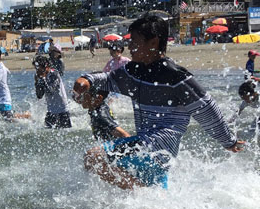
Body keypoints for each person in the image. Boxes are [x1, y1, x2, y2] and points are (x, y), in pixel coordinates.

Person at [74, 14, 242, 190]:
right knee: (155, 200)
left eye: (134, 41)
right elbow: (108, 79)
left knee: (93, 158)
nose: (129, 47)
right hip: (149, 147)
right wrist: (87, 80)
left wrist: (228, 141)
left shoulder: (175, 76)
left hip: (158, 146)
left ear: (153, 43)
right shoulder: (133, 71)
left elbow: (207, 110)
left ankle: (142, 195)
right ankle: (149, 197)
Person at [33, 55, 71, 128]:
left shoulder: (54, 74)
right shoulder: (40, 76)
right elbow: (39, 95)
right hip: (50, 111)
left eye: (38, 68)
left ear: (46, 66)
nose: (37, 71)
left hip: (62, 111)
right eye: (36, 69)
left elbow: (51, 90)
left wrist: (42, 79)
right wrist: (37, 83)